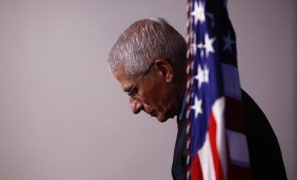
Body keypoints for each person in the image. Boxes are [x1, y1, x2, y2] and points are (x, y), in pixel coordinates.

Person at [107, 18, 287, 179]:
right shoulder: (218, 103)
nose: (134, 107)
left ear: (164, 70)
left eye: (133, 91)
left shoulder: (210, 125)